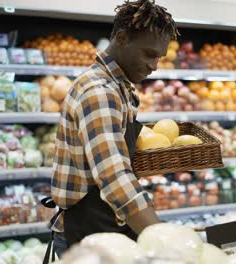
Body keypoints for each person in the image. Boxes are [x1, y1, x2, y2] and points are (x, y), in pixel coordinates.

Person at [41, 0, 179, 261]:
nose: (155, 66)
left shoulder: (119, 86)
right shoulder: (99, 92)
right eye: (149, 54)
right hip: (87, 234)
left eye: (159, 57)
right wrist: (164, 241)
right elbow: (115, 178)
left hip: (103, 224)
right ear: (122, 38)